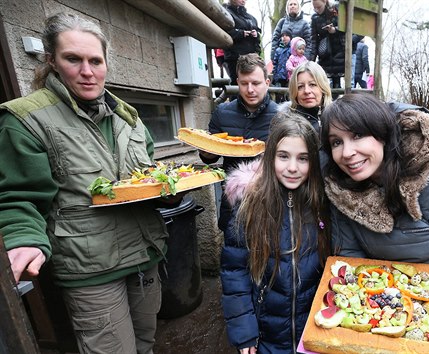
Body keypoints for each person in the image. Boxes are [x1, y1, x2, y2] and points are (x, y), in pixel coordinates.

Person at [0, 13, 168, 353]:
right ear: (52, 61)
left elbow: (146, 176)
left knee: (146, 343)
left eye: (96, 60)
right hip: (91, 269)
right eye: (73, 59)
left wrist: (165, 187)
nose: (87, 71)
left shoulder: (130, 119)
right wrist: (23, 236)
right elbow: (17, 195)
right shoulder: (25, 119)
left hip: (144, 254)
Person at [320, 93, 429, 269]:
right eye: (336, 142)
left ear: (381, 133)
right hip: (381, 287)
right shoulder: (339, 190)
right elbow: (351, 260)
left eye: (357, 135)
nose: (347, 153)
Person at [220, 112, 331, 353]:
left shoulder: (320, 203)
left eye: (303, 158)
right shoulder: (249, 204)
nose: (293, 168)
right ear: (270, 157)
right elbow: (234, 271)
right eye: (283, 156)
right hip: (266, 333)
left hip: (313, 331)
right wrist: (243, 329)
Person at [199, 53, 278, 231]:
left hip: (270, 201)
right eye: (244, 83)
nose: (250, 90)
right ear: (237, 82)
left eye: (256, 83)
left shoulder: (281, 116)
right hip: (233, 202)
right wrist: (206, 152)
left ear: (267, 82)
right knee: (233, 256)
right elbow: (209, 158)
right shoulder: (222, 112)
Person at [286, 61, 333, 132]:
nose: (307, 91)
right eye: (300, 86)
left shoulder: (337, 120)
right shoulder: (285, 124)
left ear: (323, 87)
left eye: (312, 85)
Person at [223, 0, 261, 86]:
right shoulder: (225, 14)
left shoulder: (251, 18)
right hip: (235, 58)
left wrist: (255, 35)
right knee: (237, 84)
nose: (243, 0)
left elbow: (257, 38)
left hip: (252, 58)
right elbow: (223, 33)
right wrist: (241, 33)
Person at [310, 0, 345, 89]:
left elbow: (346, 27)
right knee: (323, 82)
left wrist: (335, 30)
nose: (317, 10)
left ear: (325, 2)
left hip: (339, 51)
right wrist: (311, 61)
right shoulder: (314, 18)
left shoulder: (336, 10)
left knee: (337, 82)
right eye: (315, 8)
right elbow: (313, 40)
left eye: (319, 7)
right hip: (324, 52)